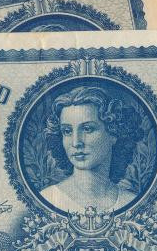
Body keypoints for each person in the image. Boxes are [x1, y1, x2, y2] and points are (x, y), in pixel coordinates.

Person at [40, 85, 142, 213]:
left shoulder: (132, 202)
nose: (76, 142)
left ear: (114, 133)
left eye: (87, 129)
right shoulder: (47, 199)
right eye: (67, 131)